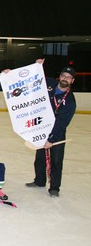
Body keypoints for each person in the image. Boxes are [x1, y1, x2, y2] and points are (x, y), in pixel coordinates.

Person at [26, 61, 77, 198]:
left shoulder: (70, 101)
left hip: (57, 134)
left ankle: (54, 187)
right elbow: (35, 77)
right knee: (40, 158)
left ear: (72, 81)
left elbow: (62, 123)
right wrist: (37, 66)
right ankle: (39, 181)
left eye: (68, 77)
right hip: (42, 129)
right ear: (59, 77)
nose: (65, 78)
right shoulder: (50, 84)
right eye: (63, 75)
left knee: (56, 160)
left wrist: (51, 139)